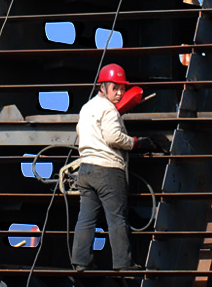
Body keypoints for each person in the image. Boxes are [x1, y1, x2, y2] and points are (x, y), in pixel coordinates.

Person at [71, 63, 156, 272]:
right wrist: (136, 142)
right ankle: (123, 264)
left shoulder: (87, 107)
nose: (119, 93)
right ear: (103, 86)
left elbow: (80, 133)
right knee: (117, 218)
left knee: (86, 218)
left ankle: (80, 262)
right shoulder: (108, 109)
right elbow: (113, 137)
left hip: (85, 170)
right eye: (115, 88)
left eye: (122, 88)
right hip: (107, 170)